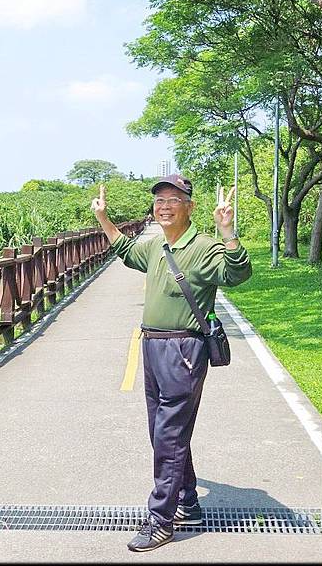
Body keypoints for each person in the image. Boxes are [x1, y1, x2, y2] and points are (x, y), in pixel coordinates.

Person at [91, 174, 252, 552]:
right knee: (163, 432)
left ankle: (161, 521)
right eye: (159, 200)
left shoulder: (205, 247)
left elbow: (237, 273)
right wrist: (103, 219)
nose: (163, 206)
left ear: (190, 207)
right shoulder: (155, 245)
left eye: (173, 200)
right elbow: (127, 252)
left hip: (183, 351)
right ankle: (188, 502)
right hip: (152, 346)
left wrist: (228, 231)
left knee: (168, 435)